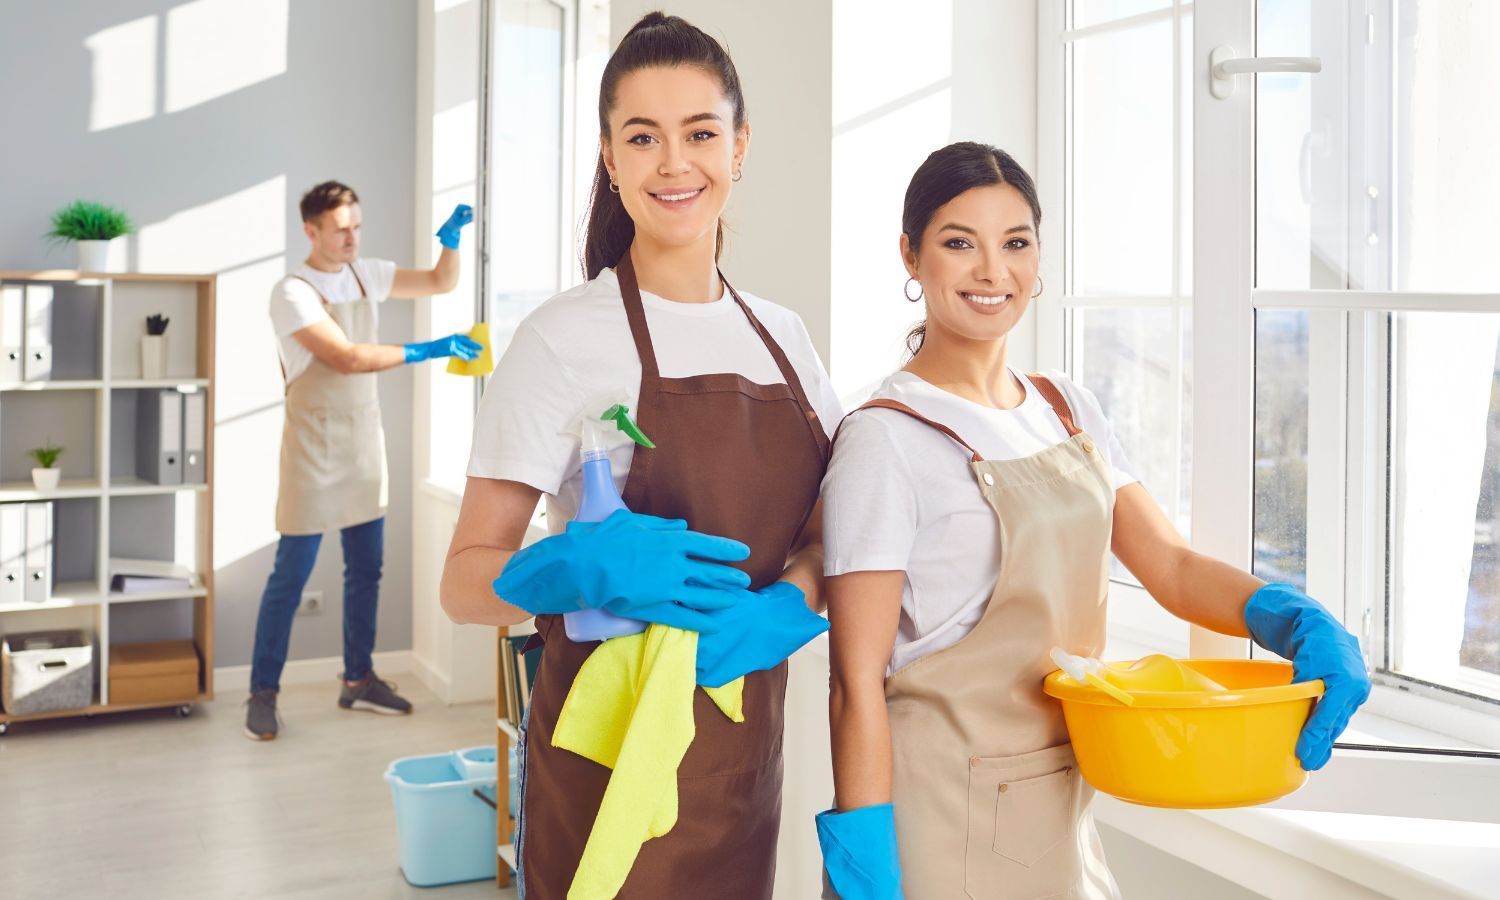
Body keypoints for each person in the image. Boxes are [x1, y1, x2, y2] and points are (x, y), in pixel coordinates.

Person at [814, 142, 1371, 899]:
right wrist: (867, 862)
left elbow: (1170, 569)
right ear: (911, 257)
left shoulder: (1066, 408)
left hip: (1059, 801)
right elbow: (855, 682)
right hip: (936, 813)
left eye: (1015, 243)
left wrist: (1285, 616)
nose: (991, 271)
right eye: (958, 244)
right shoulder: (884, 437)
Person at [439, 13, 842, 898]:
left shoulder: (785, 338)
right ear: (610, 159)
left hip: (741, 767)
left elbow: (829, 535)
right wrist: (571, 570)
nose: (674, 163)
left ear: (739, 147)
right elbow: (463, 580)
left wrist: (793, 603)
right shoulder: (559, 339)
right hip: (600, 767)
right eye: (643, 137)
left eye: (700, 133)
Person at [245, 181, 481, 741]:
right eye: (340, 229)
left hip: (362, 445)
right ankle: (262, 692)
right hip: (312, 447)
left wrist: (450, 242)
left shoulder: (363, 271)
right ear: (311, 231)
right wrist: (428, 350)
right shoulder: (292, 291)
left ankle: (357, 680)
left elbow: (440, 281)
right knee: (290, 575)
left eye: (356, 226)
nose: (352, 237)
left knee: (367, 568)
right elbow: (345, 357)